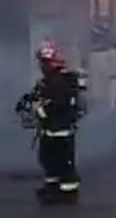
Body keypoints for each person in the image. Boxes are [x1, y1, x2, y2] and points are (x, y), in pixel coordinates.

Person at [15, 42, 86, 203]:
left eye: (44, 62)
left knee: (64, 164)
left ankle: (68, 194)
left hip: (61, 130)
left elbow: (58, 104)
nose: (42, 66)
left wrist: (41, 107)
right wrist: (26, 103)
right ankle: (52, 189)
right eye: (41, 63)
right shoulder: (46, 81)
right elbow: (35, 96)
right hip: (49, 130)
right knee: (48, 161)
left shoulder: (62, 81)